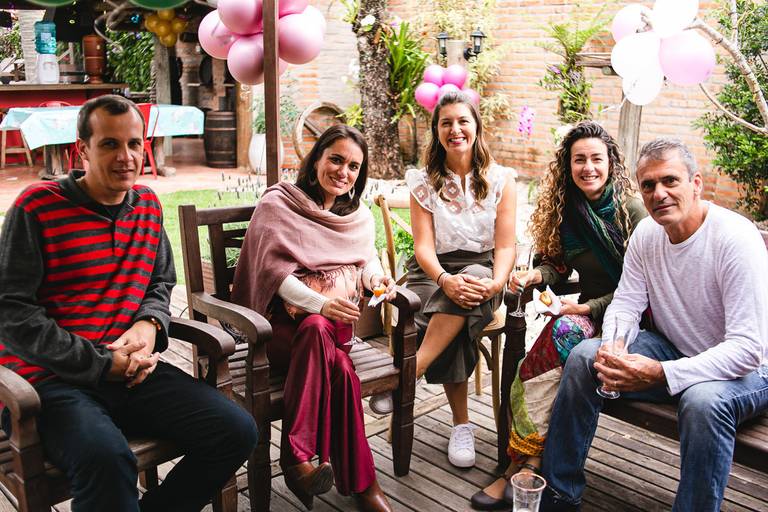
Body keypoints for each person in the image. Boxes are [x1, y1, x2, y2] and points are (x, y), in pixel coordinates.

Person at [0, 94, 258, 511]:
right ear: (82, 149)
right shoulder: (37, 208)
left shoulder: (148, 207)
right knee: (106, 459)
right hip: (50, 382)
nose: (126, 157)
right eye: (110, 144)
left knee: (236, 430)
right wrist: (102, 364)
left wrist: (150, 325)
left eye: (135, 143)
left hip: (134, 373)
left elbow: (160, 281)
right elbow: (12, 312)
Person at [538, 138, 768, 512]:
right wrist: (614, 346)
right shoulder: (647, 234)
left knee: (702, 402)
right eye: (648, 185)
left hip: (747, 371)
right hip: (675, 349)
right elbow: (627, 302)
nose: (659, 193)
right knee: (585, 357)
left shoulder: (734, 238)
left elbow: (747, 349)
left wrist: (660, 373)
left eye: (670, 181)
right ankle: (558, 496)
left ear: (696, 183)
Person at [470, 121, 646, 509]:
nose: (588, 168)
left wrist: (587, 307)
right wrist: (536, 275)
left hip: (632, 320)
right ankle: (527, 462)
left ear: (611, 163)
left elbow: (645, 286)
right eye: (579, 159)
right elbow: (557, 265)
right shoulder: (568, 210)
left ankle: (519, 466)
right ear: (568, 165)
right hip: (588, 315)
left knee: (560, 335)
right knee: (537, 365)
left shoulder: (632, 211)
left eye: (596, 159)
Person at [230, 124, 396, 512]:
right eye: (336, 159)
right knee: (329, 348)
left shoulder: (357, 216)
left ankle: (298, 460)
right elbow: (273, 273)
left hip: (335, 334)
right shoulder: (279, 203)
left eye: (353, 166)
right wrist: (320, 305)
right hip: (281, 333)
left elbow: (366, 258)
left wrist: (376, 279)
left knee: (336, 359)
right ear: (316, 158)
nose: (343, 172)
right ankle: (364, 485)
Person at [369, 91, 516, 469]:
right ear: (436, 131)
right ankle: (461, 426)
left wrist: (497, 283)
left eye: (463, 121)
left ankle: (408, 374)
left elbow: (505, 246)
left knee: (471, 286)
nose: (455, 129)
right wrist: (444, 279)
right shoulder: (423, 182)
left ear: (476, 127)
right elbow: (423, 247)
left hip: (484, 270)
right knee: (451, 313)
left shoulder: (501, 180)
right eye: (446, 123)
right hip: (431, 272)